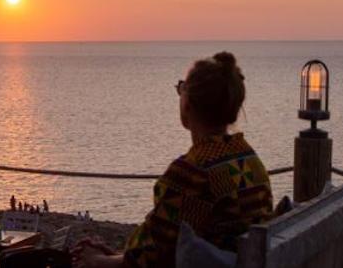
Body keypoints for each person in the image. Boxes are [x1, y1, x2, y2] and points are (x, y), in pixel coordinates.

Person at [75, 52, 273, 268]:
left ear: (188, 104)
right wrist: (112, 257)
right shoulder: (248, 160)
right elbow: (165, 247)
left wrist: (97, 262)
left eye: (182, 88)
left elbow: (148, 261)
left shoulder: (192, 174)